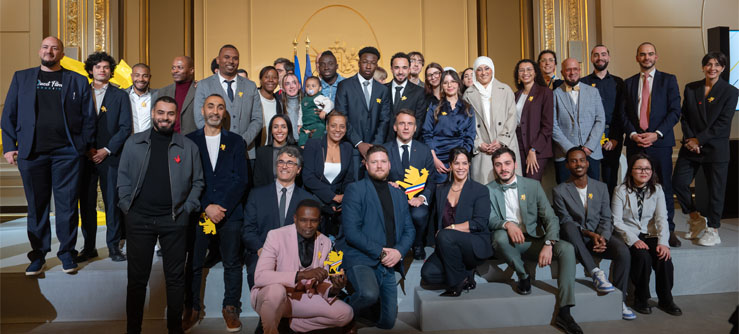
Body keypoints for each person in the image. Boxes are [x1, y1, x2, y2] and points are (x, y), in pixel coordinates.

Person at [1, 36, 95, 275]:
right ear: (39, 51)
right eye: (45, 47)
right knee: (37, 206)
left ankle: (66, 254)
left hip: (67, 154)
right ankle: (38, 255)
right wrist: (9, 146)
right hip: (32, 153)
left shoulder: (78, 80)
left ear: (62, 54)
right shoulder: (22, 77)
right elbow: (8, 114)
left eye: (55, 48)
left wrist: (80, 147)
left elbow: (88, 118)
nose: (49, 51)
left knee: (67, 206)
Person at [117, 96, 204, 334]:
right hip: (139, 220)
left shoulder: (188, 147)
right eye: (161, 113)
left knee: (175, 279)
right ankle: (133, 329)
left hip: (174, 220)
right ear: (153, 113)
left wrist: (187, 208)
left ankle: (174, 328)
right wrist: (127, 208)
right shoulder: (133, 143)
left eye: (170, 114)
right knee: (137, 280)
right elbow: (122, 178)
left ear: (176, 117)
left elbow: (198, 182)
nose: (165, 118)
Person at [487, 147, 582, 334]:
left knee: (567, 249)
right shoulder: (488, 190)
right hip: (508, 243)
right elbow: (489, 219)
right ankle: (523, 276)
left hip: (533, 241)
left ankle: (565, 311)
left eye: (507, 163)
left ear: (515, 164)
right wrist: (507, 224)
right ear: (494, 167)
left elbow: (551, 218)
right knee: (498, 236)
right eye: (498, 165)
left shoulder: (532, 186)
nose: (503, 168)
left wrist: (548, 243)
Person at [183, 94, 248, 332]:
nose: (215, 111)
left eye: (220, 107)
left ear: (224, 113)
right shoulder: (189, 141)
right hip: (200, 213)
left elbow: (241, 180)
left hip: (229, 213)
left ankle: (230, 307)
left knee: (232, 262)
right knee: (195, 262)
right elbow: (186, 180)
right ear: (202, 111)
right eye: (211, 106)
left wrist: (221, 208)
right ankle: (191, 307)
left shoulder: (236, 141)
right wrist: (206, 206)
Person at [552, 147, 634, 320]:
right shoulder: (559, 191)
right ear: (567, 165)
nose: (578, 164)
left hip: (599, 237)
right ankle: (595, 272)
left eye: (581, 160)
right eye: (573, 161)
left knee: (623, 251)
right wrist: (590, 235)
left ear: (588, 163)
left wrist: (602, 237)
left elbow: (606, 217)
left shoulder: (601, 187)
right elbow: (566, 219)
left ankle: (620, 300)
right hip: (577, 239)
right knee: (567, 226)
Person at [251, 199, 354, 333]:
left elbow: (323, 282)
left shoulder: (326, 242)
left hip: (302, 299)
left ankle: (294, 325)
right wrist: (302, 275)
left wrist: (334, 288)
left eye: (314, 221)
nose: (309, 225)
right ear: (295, 218)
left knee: (345, 314)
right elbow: (260, 276)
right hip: (273, 299)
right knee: (276, 291)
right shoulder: (276, 236)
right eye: (303, 220)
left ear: (320, 220)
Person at [340, 145, 415, 330]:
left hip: (389, 262)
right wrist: (381, 253)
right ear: (366, 165)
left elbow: (409, 230)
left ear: (389, 165)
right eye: (374, 162)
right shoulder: (355, 190)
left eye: (383, 162)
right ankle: (339, 313)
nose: (379, 166)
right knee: (368, 294)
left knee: (387, 323)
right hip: (362, 258)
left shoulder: (398, 194)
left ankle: (356, 309)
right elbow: (351, 232)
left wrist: (399, 252)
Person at [672, 51, 738, 247]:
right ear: (703, 67)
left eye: (717, 65)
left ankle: (713, 229)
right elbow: (685, 117)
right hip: (690, 147)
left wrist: (698, 140)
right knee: (678, 183)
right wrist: (690, 141)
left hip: (715, 148)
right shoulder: (691, 88)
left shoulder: (731, 92)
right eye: (709, 64)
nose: (712, 68)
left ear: (723, 68)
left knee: (715, 191)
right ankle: (695, 218)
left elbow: (722, 123)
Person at [623, 42, 682, 247]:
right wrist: (632, 134)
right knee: (634, 187)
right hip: (636, 144)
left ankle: (669, 231)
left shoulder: (668, 80)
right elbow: (622, 113)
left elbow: (675, 111)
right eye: (642, 54)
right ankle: (637, 230)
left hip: (660, 143)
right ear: (637, 57)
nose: (646, 57)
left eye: (650, 54)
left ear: (656, 57)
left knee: (664, 186)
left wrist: (656, 134)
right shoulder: (628, 83)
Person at [77, 51, 132, 263]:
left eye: (106, 67)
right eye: (98, 67)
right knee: (87, 204)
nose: (102, 70)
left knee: (112, 203)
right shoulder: (80, 92)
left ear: (111, 71)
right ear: (91, 70)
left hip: (111, 156)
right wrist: (87, 149)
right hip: (85, 156)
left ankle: (114, 247)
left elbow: (126, 127)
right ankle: (89, 247)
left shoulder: (120, 95)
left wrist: (106, 150)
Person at [612, 153, 682, 317]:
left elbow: (662, 218)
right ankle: (640, 298)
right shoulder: (620, 190)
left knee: (664, 258)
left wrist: (663, 242)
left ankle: (666, 299)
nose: (644, 172)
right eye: (639, 168)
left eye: (647, 168)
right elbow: (616, 221)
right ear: (631, 171)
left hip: (651, 234)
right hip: (630, 234)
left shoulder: (657, 189)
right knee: (642, 257)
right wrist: (634, 240)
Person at [420, 147, 491, 296]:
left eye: (464, 163)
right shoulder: (441, 190)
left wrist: (450, 228)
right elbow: (436, 220)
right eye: (456, 163)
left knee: (446, 234)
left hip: (473, 243)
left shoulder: (480, 190)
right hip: (447, 245)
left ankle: (457, 283)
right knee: (427, 274)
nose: (461, 167)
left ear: (469, 165)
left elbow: (479, 224)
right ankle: (466, 274)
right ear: (450, 165)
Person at [243, 146, 313, 289]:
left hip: (295, 257)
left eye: (290, 163)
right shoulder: (257, 195)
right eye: (281, 162)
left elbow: (310, 235)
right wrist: (261, 249)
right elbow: (248, 230)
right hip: (262, 253)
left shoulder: (307, 201)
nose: (284, 166)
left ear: (298, 170)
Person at [195, 44, 263, 161]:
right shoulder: (204, 85)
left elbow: (257, 119)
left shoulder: (250, 86)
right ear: (218, 60)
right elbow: (199, 118)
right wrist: (218, 141)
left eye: (235, 58)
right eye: (226, 57)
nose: (231, 61)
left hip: (246, 153)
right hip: (214, 151)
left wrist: (242, 142)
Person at [383, 109, 435, 260]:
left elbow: (431, 180)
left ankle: (417, 244)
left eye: (410, 124)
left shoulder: (424, 150)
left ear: (415, 128)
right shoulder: (385, 150)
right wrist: (387, 187)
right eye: (402, 123)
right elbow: (377, 177)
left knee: (419, 214)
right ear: (395, 127)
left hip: (416, 201)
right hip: (391, 200)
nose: (406, 127)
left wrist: (422, 198)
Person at [334, 46, 392, 179]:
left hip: (375, 150)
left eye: (372, 63)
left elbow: (385, 119)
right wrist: (359, 143)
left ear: (376, 65)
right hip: (351, 148)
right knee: (352, 189)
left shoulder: (382, 90)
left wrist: (373, 147)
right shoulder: (345, 86)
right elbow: (341, 118)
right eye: (365, 62)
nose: (368, 66)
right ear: (359, 63)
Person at [464, 56, 521, 184]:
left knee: (509, 186)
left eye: (486, 68)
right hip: (483, 148)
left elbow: (512, 117)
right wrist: (478, 143)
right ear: (475, 72)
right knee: (485, 189)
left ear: (492, 70)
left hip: (505, 144)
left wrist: (501, 141)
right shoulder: (468, 94)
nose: (483, 73)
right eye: (479, 69)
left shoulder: (505, 90)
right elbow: (466, 124)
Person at [580, 45, 627, 196]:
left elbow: (622, 114)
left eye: (603, 54)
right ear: (591, 58)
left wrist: (615, 139)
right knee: (590, 178)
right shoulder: (582, 83)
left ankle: (608, 216)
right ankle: (592, 214)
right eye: (596, 55)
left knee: (610, 178)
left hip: (611, 135)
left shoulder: (619, 83)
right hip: (588, 138)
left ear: (609, 57)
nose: (600, 58)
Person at [552, 58, 605, 184]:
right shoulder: (555, 94)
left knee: (592, 194)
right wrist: (571, 150)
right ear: (562, 72)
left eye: (575, 69)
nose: (572, 72)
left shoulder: (593, 92)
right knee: (566, 195)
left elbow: (600, 120)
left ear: (580, 71)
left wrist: (589, 146)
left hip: (591, 153)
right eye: (568, 69)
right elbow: (553, 125)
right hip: (564, 155)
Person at [302, 112, 354, 237]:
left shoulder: (348, 148)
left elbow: (349, 179)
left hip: (338, 207)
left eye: (342, 126)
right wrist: (333, 197)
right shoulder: (313, 144)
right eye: (333, 125)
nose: (338, 130)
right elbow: (308, 177)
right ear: (326, 126)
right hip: (315, 202)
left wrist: (342, 199)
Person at [422, 70, 476, 184]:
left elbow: (470, 136)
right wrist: (434, 159)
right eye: (446, 82)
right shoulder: (435, 107)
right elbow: (427, 134)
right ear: (442, 86)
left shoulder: (468, 108)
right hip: (438, 160)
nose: (449, 85)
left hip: (460, 160)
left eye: (453, 81)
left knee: (461, 197)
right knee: (440, 197)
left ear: (458, 84)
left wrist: (460, 161)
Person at [512, 59, 553, 181]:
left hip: (537, 147)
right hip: (518, 146)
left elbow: (548, 125)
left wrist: (533, 149)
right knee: (519, 184)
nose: (525, 72)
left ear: (535, 73)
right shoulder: (515, 95)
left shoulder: (545, 92)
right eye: (521, 70)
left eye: (529, 69)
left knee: (531, 184)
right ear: (518, 74)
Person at [385, 52, 427, 142]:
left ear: (409, 70)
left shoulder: (419, 92)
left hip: (408, 143)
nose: (400, 72)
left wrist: (406, 141)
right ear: (391, 69)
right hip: (384, 144)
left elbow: (419, 121)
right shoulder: (382, 90)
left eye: (404, 68)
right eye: (397, 68)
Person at [253, 114, 298, 188]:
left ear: (288, 129)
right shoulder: (262, 152)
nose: (279, 130)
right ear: (271, 130)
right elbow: (258, 181)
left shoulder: (298, 151)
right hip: (267, 195)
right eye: (275, 127)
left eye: (283, 127)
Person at [158, 56, 198, 135]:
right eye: (173, 68)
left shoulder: (200, 89)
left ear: (191, 70)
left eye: (180, 67)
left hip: (192, 139)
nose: (175, 71)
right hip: (168, 139)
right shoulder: (163, 91)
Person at [299, 76, 334, 146]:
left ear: (319, 88)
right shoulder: (303, 100)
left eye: (313, 86)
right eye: (307, 86)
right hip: (306, 125)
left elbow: (330, 103)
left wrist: (324, 111)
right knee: (302, 134)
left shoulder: (319, 97)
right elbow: (300, 113)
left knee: (320, 128)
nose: (310, 88)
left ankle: (315, 144)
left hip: (316, 123)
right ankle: (302, 146)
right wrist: (299, 124)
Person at [126, 63, 158, 133]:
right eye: (137, 75)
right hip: (128, 140)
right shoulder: (123, 95)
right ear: (131, 76)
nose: (141, 79)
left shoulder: (158, 95)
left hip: (150, 141)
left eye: (145, 76)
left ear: (150, 77)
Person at [257, 66, 281, 146]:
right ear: (260, 80)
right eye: (266, 77)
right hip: (253, 149)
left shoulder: (279, 103)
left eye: (274, 78)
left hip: (271, 149)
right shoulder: (253, 97)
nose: (271, 80)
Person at [279, 73, 303, 142]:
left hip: (304, 143)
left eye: (294, 83)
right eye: (287, 84)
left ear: (299, 86)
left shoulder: (307, 103)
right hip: (286, 143)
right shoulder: (279, 105)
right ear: (283, 88)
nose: (291, 86)